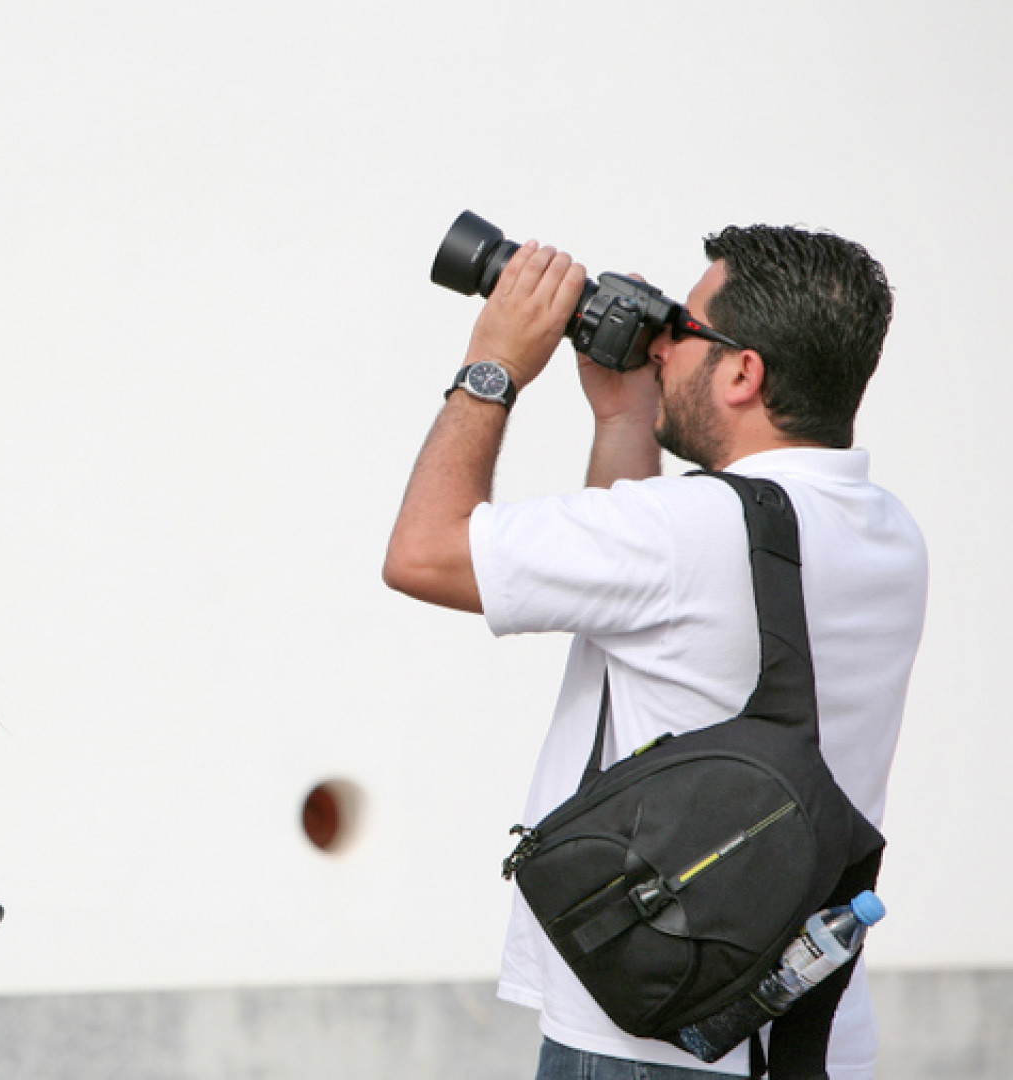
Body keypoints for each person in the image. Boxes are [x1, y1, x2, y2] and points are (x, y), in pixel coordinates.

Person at [382, 227, 925, 1079]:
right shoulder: (887, 531)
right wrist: (628, 415)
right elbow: (626, 599)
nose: (664, 347)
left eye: (686, 330)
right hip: (807, 1032)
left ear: (745, 373)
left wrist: (492, 366)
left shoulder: (686, 531)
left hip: (645, 1041)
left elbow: (421, 552)